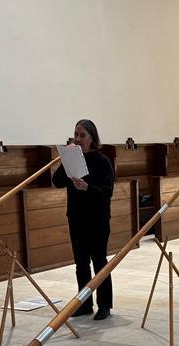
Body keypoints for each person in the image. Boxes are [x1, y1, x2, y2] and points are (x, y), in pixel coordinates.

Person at [52, 119, 115, 320]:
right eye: (76, 135)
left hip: (97, 218)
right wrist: (65, 159)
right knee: (80, 263)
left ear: (92, 138)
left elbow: (108, 191)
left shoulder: (102, 161)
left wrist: (87, 188)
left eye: (82, 135)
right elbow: (57, 182)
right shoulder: (72, 159)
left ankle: (104, 304)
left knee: (99, 261)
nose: (78, 139)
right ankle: (84, 303)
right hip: (77, 217)